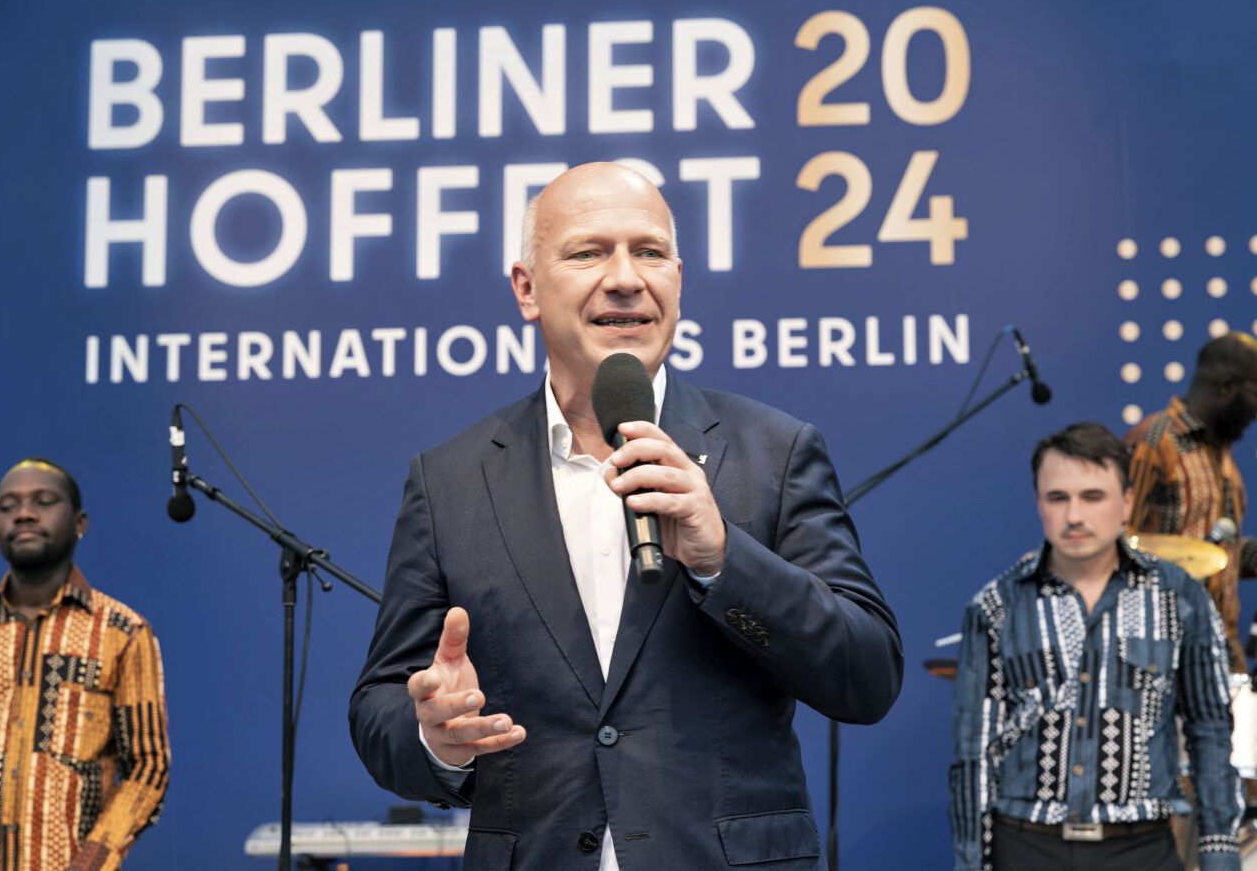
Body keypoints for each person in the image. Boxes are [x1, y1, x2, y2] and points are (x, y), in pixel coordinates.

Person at [349, 162, 902, 870]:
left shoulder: (776, 451)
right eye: (588, 252)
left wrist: (722, 558)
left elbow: (868, 675)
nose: (625, 278)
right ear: (526, 288)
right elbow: (379, 712)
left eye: (649, 252)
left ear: (677, 277)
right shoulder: (449, 479)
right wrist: (437, 735)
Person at [949, 423, 1241, 871]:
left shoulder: (1180, 596)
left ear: (1126, 501)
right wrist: (973, 862)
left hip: (1141, 848)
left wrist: (1220, 853)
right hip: (1026, 845)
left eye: (1092, 496)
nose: (1074, 516)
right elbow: (975, 754)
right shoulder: (995, 606)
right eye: (1057, 497)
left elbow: (1210, 730)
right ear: (1038, 504)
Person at [0, 458, 170, 871]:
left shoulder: (123, 632)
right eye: (8, 505)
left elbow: (148, 767)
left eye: (44, 501)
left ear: (80, 523)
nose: (24, 513)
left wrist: (93, 859)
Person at [1125, 331, 1257, 672]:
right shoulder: (1155, 442)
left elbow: (1219, 556)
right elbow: (1116, 548)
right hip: (1163, 658)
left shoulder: (1222, 457)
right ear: (1227, 386)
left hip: (1222, 658)